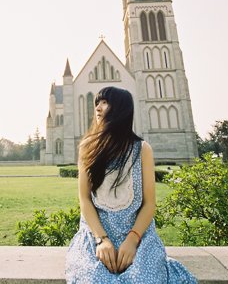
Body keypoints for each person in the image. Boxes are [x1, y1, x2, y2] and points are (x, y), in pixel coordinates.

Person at [65, 86, 197, 284]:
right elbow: (84, 199)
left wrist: (133, 239)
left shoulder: (142, 149)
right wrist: (102, 240)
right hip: (96, 235)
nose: (98, 108)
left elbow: (149, 203)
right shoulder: (87, 148)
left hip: (138, 236)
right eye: (97, 103)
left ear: (121, 109)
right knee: (93, 279)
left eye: (105, 102)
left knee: (145, 279)